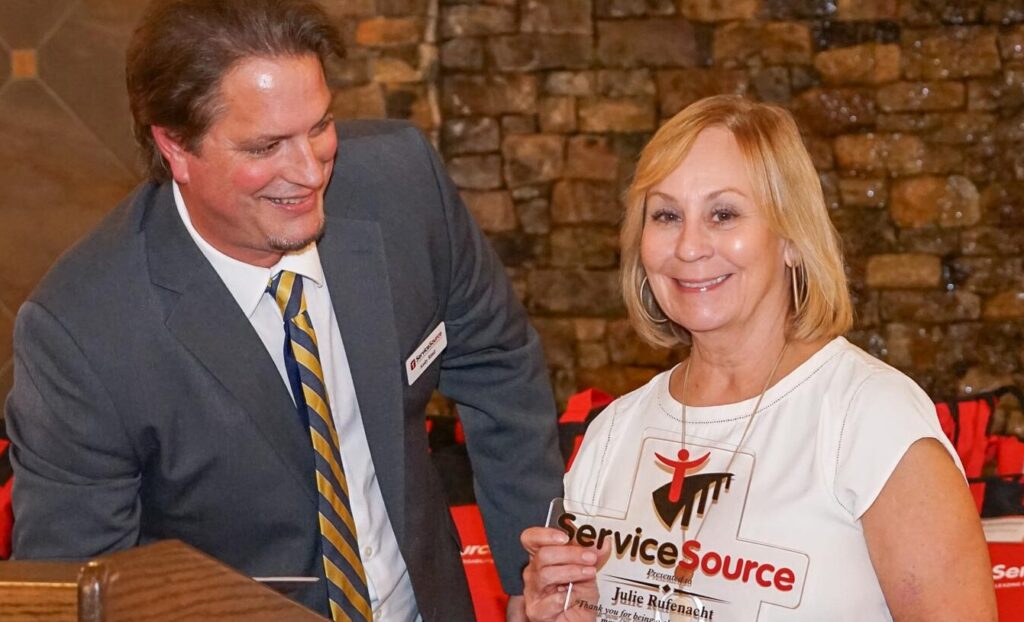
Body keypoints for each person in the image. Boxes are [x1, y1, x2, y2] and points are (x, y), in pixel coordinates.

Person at [4, 0, 564, 619]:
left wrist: (534, 573)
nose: (308, 171)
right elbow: (82, 586)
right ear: (175, 147)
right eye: (266, 145)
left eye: (320, 126)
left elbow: (498, 364)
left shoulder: (403, 185)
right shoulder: (84, 331)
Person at [520, 96, 996, 621]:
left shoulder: (869, 420)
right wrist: (560, 612)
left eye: (723, 214)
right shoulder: (614, 432)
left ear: (792, 237)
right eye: (666, 215)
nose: (689, 246)